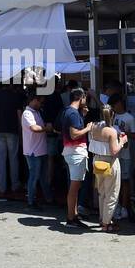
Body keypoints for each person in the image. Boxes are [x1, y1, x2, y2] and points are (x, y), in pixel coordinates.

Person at [86, 99, 125, 232]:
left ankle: (102, 219)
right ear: (112, 115)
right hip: (110, 161)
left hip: (97, 160)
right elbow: (114, 150)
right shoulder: (111, 131)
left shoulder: (94, 127)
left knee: (101, 191)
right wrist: (122, 141)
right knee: (112, 193)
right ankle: (106, 223)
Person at [60, 89, 92, 227]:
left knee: (75, 186)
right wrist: (88, 128)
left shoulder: (69, 111)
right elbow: (74, 134)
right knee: (74, 188)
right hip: (76, 153)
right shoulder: (72, 113)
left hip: (71, 152)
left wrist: (83, 117)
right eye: (85, 97)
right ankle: (70, 218)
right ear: (81, 97)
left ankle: (73, 216)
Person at [0, 84, 24, 199]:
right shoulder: (15, 97)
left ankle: (2, 186)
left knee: (1, 159)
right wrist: (20, 131)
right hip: (12, 130)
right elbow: (19, 116)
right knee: (13, 158)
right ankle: (15, 185)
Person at [21, 90, 54, 208]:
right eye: (40, 102)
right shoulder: (27, 113)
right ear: (34, 100)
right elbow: (34, 128)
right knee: (34, 177)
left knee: (43, 177)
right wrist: (47, 128)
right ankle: (31, 201)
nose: (41, 104)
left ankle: (48, 198)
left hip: (41, 150)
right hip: (33, 152)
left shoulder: (37, 112)